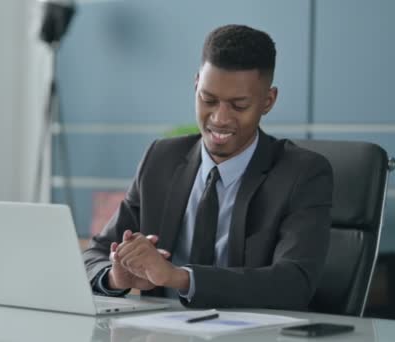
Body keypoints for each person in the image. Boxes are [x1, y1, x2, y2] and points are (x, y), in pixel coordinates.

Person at [83, 24, 333, 310]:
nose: (220, 118)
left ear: (268, 101)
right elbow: (94, 255)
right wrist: (116, 276)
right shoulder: (161, 159)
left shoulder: (303, 174)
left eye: (238, 105)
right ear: (196, 84)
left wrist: (180, 277)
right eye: (208, 100)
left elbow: (293, 284)